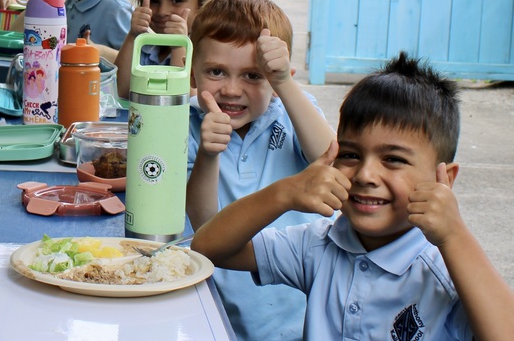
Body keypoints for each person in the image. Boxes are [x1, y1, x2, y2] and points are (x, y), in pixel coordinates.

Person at [192, 53, 514, 340]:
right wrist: (285, 193)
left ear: (444, 179)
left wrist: (455, 234)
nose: (364, 175)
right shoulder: (321, 246)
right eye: (350, 154)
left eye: (393, 159)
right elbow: (209, 247)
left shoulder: (445, 268)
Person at [185, 0, 334, 341]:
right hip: (217, 311)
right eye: (217, 72)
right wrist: (209, 154)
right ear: (194, 73)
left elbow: (332, 161)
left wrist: (285, 84)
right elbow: (204, 224)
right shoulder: (186, 122)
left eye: (253, 76)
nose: (232, 90)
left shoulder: (295, 111)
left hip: (297, 312)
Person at [114, 0, 216, 97]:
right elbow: (121, 91)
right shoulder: (147, 47)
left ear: (206, 3)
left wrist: (178, 45)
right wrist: (133, 35)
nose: (162, 11)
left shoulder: (209, 50)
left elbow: (184, 99)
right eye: (155, 0)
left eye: (177, 0)